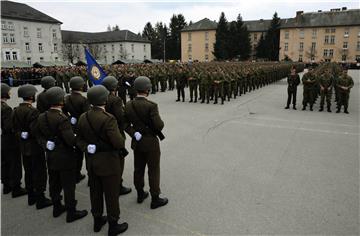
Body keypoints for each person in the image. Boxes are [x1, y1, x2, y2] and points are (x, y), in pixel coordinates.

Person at [77, 85, 128, 235]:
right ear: (104, 99)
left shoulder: (83, 117)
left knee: (96, 192)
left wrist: (88, 147)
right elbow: (118, 143)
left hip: (92, 162)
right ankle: (113, 224)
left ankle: (97, 221)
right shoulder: (109, 119)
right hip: (109, 163)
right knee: (111, 194)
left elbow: (79, 140)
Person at [33, 87, 88, 222]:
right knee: (69, 185)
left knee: (54, 182)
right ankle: (71, 212)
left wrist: (45, 143)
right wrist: (79, 139)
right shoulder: (62, 118)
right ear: (60, 101)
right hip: (65, 156)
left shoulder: (42, 116)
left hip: (51, 156)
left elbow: (37, 135)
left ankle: (57, 207)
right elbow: (70, 140)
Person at [124, 76, 168, 209]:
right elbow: (159, 125)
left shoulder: (128, 104)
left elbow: (125, 124)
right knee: (153, 170)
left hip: (137, 142)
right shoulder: (151, 106)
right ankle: (155, 198)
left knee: (138, 169)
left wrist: (133, 133)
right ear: (147, 89)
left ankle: (140, 193)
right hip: (150, 142)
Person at [12, 84, 52, 209]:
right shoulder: (33, 111)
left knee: (28, 172)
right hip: (34, 147)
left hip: (24, 147)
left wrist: (22, 134)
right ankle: (40, 199)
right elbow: (36, 131)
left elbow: (14, 129)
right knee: (39, 172)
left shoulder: (15, 110)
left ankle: (31, 196)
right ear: (30, 96)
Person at [102, 76, 132, 196]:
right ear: (114, 87)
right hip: (116, 131)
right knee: (118, 161)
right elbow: (120, 117)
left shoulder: (100, 97)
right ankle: (118, 185)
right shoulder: (116, 100)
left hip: (102, 132)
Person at [1, 83, 27, 197]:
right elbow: (9, 127)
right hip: (10, 139)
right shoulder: (6, 108)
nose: (10, 93)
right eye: (8, 91)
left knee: (5, 162)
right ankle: (16, 188)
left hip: (3, 139)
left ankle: (6, 186)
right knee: (14, 163)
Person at [63, 76, 90, 183]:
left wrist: (70, 118)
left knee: (75, 152)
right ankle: (79, 174)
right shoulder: (84, 100)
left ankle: (75, 173)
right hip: (81, 127)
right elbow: (86, 116)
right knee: (81, 152)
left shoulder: (67, 98)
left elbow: (63, 112)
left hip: (71, 126)